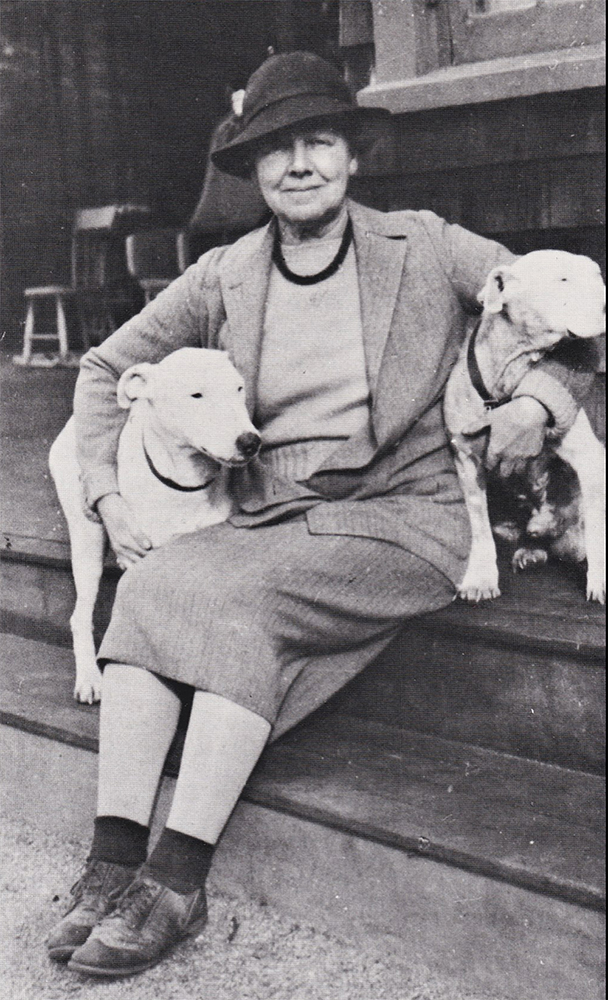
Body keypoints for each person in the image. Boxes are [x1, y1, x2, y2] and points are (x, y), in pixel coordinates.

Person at [46, 51, 597, 977]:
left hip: (408, 517)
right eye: (277, 150)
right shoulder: (226, 272)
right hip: (277, 518)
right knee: (151, 587)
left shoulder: (422, 244)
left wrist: (540, 401)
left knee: (226, 599)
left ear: (352, 157)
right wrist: (103, 490)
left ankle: (177, 879)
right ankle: (111, 865)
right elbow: (102, 369)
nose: (299, 164)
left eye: (320, 142)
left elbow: (566, 311)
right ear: (253, 171)